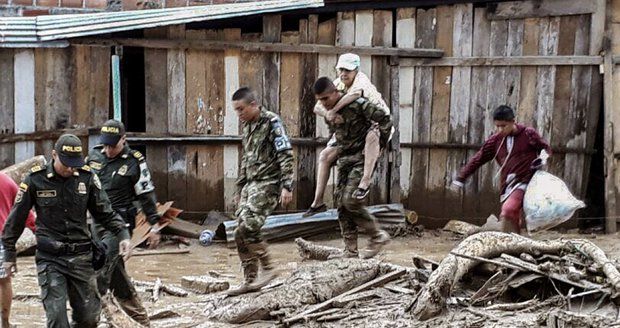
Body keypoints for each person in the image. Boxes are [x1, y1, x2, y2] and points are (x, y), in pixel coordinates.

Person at [1, 134, 131, 328]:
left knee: (88, 318)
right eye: (66, 163)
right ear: (54, 155)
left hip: (82, 258)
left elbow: (105, 212)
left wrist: (122, 235)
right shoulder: (35, 179)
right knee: (57, 319)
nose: (70, 169)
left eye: (74, 164)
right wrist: (9, 254)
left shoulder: (87, 178)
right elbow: (16, 219)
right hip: (50, 259)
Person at [86, 119, 162, 326]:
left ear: (124, 139)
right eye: (106, 145)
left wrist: (154, 225)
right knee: (116, 272)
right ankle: (140, 319)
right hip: (95, 223)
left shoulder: (135, 161)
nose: (109, 150)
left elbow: (146, 194)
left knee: (100, 270)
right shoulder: (93, 155)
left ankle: (90, 320)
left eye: (114, 145)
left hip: (119, 225)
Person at [304, 53, 392, 217]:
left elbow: (355, 95)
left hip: (376, 123)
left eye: (348, 70)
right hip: (350, 131)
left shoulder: (361, 80)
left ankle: (365, 182)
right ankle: (318, 202)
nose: (344, 73)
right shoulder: (337, 84)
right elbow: (317, 107)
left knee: (372, 137)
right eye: (341, 69)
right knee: (325, 156)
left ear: (356, 70)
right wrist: (328, 113)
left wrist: (333, 111)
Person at [313, 77, 392, 259]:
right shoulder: (330, 111)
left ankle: (377, 235)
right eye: (320, 99)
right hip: (344, 159)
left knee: (351, 200)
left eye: (326, 98)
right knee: (341, 204)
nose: (323, 103)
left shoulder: (359, 104)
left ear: (335, 93)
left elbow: (385, 119)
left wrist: (378, 142)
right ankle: (350, 250)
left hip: (361, 159)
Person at [226, 87, 294, 296]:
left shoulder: (272, 122)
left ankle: (268, 267)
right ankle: (250, 280)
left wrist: (287, 185)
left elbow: (285, 153)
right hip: (251, 184)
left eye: (241, 109)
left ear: (254, 105)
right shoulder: (248, 125)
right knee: (238, 232)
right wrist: (240, 187)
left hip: (269, 182)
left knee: (249, 226)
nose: (239, 114)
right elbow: (246, 157)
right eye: (236, 110)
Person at [452, 105, 552, 234]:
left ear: (513, 121)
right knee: (512, 215)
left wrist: (542, 159)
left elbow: (545, 148)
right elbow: (478, 159)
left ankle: (509, 242)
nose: (500, 129)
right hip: (507, 184)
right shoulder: (495, 141)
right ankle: (514, 244)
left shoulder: (528, 134)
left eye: (503, 126)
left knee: (508, 210)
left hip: (526, 181)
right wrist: (461, 177)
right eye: (497, 126)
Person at [0, 172, 36, 328]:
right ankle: (5, 322)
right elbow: (24, 208)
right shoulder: (6, 181)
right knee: (4, 281)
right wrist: (36, 229)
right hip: (3, 238)